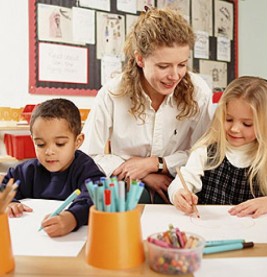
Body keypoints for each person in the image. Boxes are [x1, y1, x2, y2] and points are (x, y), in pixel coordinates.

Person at [81, 7, 214, 204]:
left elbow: (205, 152)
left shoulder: (198, 92)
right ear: (140, 59)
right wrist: (142, 174)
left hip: (184, 186)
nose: (175, 75)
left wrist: (157, 164)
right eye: (163, 66)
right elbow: (88, 155)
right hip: (129, 188)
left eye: (182, 64)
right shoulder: (112, 93)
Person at [168, 76, 267, 218]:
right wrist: (178, 193)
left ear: (265, 124)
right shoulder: (205, 152)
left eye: (247, 124)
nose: (235, 129)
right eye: (229, 119)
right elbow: (182, 181)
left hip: (256, 236)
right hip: (211, 231)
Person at [1, 98, 105, 237]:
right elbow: (4, 188)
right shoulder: (26, 171)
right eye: (41, 144)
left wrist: (72, 218)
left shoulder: (85, 169)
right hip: (34, 241)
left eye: (60, 143)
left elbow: (97, 197)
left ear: (77, 141)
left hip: (74, 245)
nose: (49, 151)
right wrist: (9, 203)